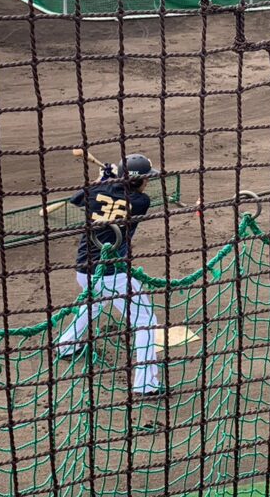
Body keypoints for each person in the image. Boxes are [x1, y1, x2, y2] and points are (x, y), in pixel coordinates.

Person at [55, 154, 162, 397]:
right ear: (139, 181)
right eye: (146, 178)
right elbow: (122, 196)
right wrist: (111, 178)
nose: (148, 182)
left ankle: (66, 346)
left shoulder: (97, 191)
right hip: (113, 274)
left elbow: (77, 198)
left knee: (94, 302)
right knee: (145, 321)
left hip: (84, 269)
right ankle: (146, 385)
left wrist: (103, 179)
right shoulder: (141, 202)